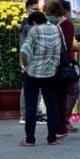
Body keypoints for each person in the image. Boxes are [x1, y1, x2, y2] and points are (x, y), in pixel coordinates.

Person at [19, 11, 61, 146]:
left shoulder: (35, 30)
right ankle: (52, 138)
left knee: (31, 106)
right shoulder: (57, 29)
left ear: (34, 22)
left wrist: (25, 66)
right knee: (52, 106)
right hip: (52, 73)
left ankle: (30, 139)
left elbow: (24, 51)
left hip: (33, 74)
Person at [45, 1, 75, 139]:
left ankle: (62, 127)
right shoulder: (56, 25)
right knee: (56, 98)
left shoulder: (66, 24)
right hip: (55, 63)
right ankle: (58, 126)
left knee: (61, 98)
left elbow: (68, 44)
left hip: (63, 64)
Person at [19, 0, 45, 125]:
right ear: (28, 9)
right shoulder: (27, 23)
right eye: (34, 9)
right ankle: (26, 114)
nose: (37, 12)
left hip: (34, 59)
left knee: (36, 89)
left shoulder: (30, 23)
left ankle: (35, 113)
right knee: (28, 89)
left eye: (38, 10)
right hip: (28, 59)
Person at [58, 0, 80, 134]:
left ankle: (61, 119)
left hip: (57, 61)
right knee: (73, 90)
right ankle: (64, 119)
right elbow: (68, 44)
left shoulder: (55, 23)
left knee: (62, 92)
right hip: (67, 63)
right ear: (66, 11)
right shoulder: (67, 23)